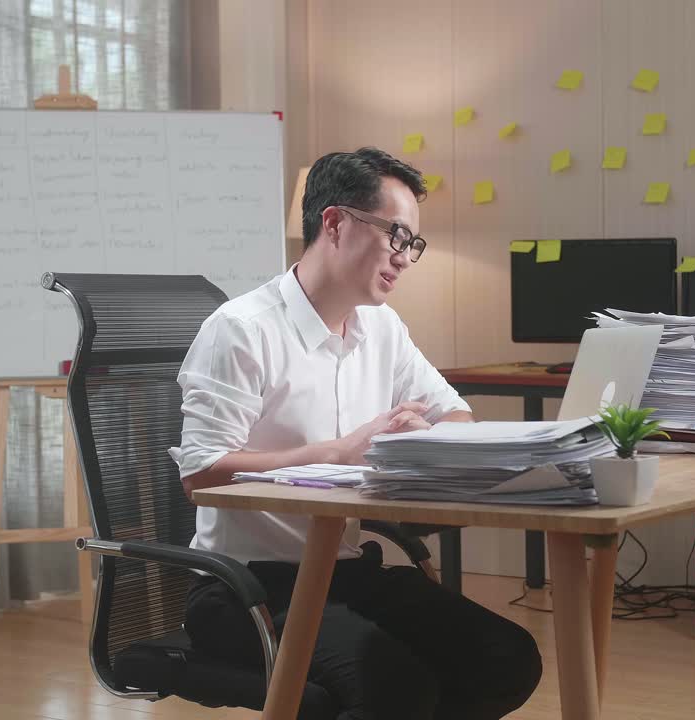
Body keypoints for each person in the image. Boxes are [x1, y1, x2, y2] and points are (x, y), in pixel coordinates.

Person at [169, 147, 542, 719]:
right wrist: (336, 453)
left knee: (505, 658)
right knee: (394, 686)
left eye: (413, 243)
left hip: (341, 572)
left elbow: (457, 415)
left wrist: (423, 435)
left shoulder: (381, 327)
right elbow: (200, 475)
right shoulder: (242, 330)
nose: (405, 257)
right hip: (246, 589)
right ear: (336, 223)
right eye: (397, 235)